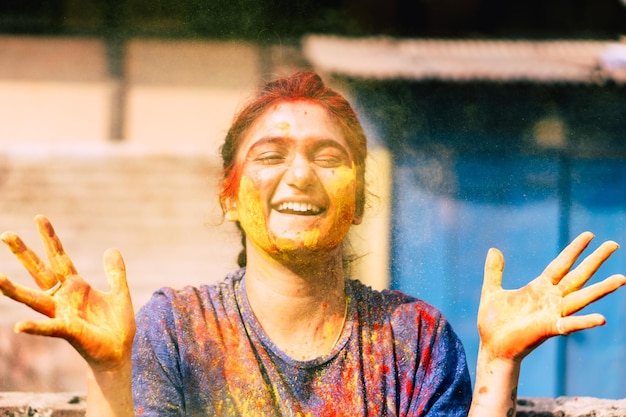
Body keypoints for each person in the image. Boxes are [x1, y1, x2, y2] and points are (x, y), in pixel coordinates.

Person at [0, 71, 624, 417]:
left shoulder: (414, 340)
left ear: (358, 197)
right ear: (229, 192)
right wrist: (110, 372)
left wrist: (499, 363)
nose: (300, 176)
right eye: (270, 156)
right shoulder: (180, 329)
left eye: (328, 157)